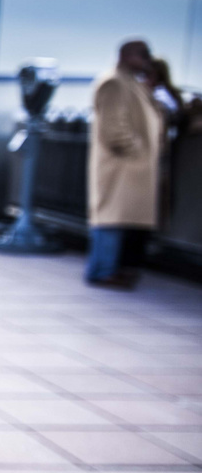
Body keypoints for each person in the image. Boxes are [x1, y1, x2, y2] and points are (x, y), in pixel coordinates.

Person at [86, 39, 165, 288]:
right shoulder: (114, 83)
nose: (147, 60)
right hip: (123, 165)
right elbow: (113, 128)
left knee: (118, 219)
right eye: (143, 55)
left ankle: (110, 270)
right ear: (127, 55)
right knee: (111, 219)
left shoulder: (130, 83)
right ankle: (103, 270)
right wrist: (136, 150)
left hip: (132, 166)